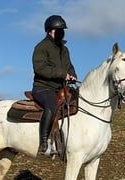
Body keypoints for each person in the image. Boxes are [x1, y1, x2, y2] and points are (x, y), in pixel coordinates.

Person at [32, 15, 77, 155]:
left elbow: (69, 66)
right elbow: (40, 68)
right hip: (43, 87)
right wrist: (62, 74)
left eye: (63, 30)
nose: (61, 32)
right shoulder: (41, 47)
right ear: (50, 31)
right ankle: (44, 143)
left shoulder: (64, 49)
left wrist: (72, 75)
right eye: (59, 30)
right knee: (51, 105)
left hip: (61, 88)